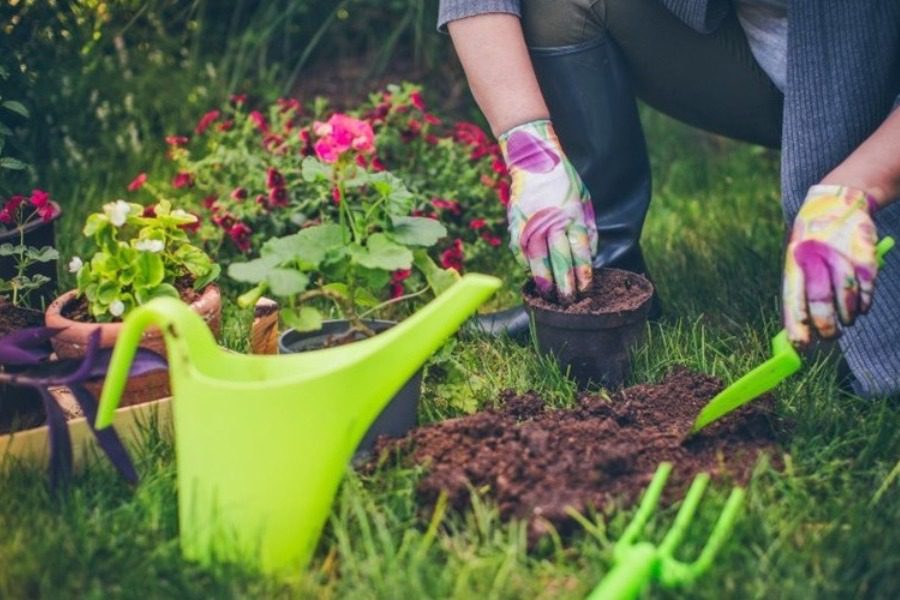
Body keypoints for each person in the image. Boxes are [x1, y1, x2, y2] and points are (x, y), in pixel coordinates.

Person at [438, 0, 900, 396]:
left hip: (876, 97)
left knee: (848, 350)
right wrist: (528, 146)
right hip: (751, 63)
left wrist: (858, 187)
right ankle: (603, 285)